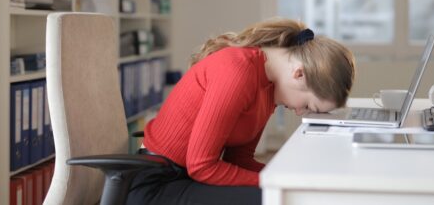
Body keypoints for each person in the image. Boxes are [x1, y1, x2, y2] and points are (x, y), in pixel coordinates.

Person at [127, 18, 356, 205]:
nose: (299, 111)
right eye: (308, 105)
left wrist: (287, 178)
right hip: (157, 184)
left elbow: (239, 159)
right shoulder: (239, 72)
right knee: (280, 200)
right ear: (299, 74)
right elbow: (202, 166)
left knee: (287, 196)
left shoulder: (269, 89)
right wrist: (274, 180)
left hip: (185, 178)